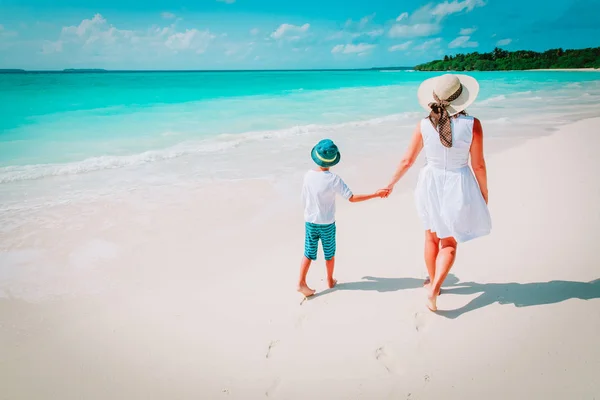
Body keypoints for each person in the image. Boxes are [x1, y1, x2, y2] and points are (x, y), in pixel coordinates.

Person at [382, 74, 492, 311]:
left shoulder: (423, 124)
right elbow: (479, 165)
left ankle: (434, 283)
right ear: (461, 99)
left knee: (431, 236)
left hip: (429, 182)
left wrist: (390, 183)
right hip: (457, 182)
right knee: (449, 242)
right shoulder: (473, 124)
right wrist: (484, 193)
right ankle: (434, 288)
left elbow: (406, 160)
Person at [298, 139, 388, 297]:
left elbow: (304, 198)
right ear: (333, 160)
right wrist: (375, 194)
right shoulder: (334, 179)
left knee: (308, 253)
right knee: (329, 253)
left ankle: (301, 282)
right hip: (327, 223)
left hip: (310, 221)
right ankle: (330, 280)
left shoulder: (308, 176)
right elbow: (351, 198)